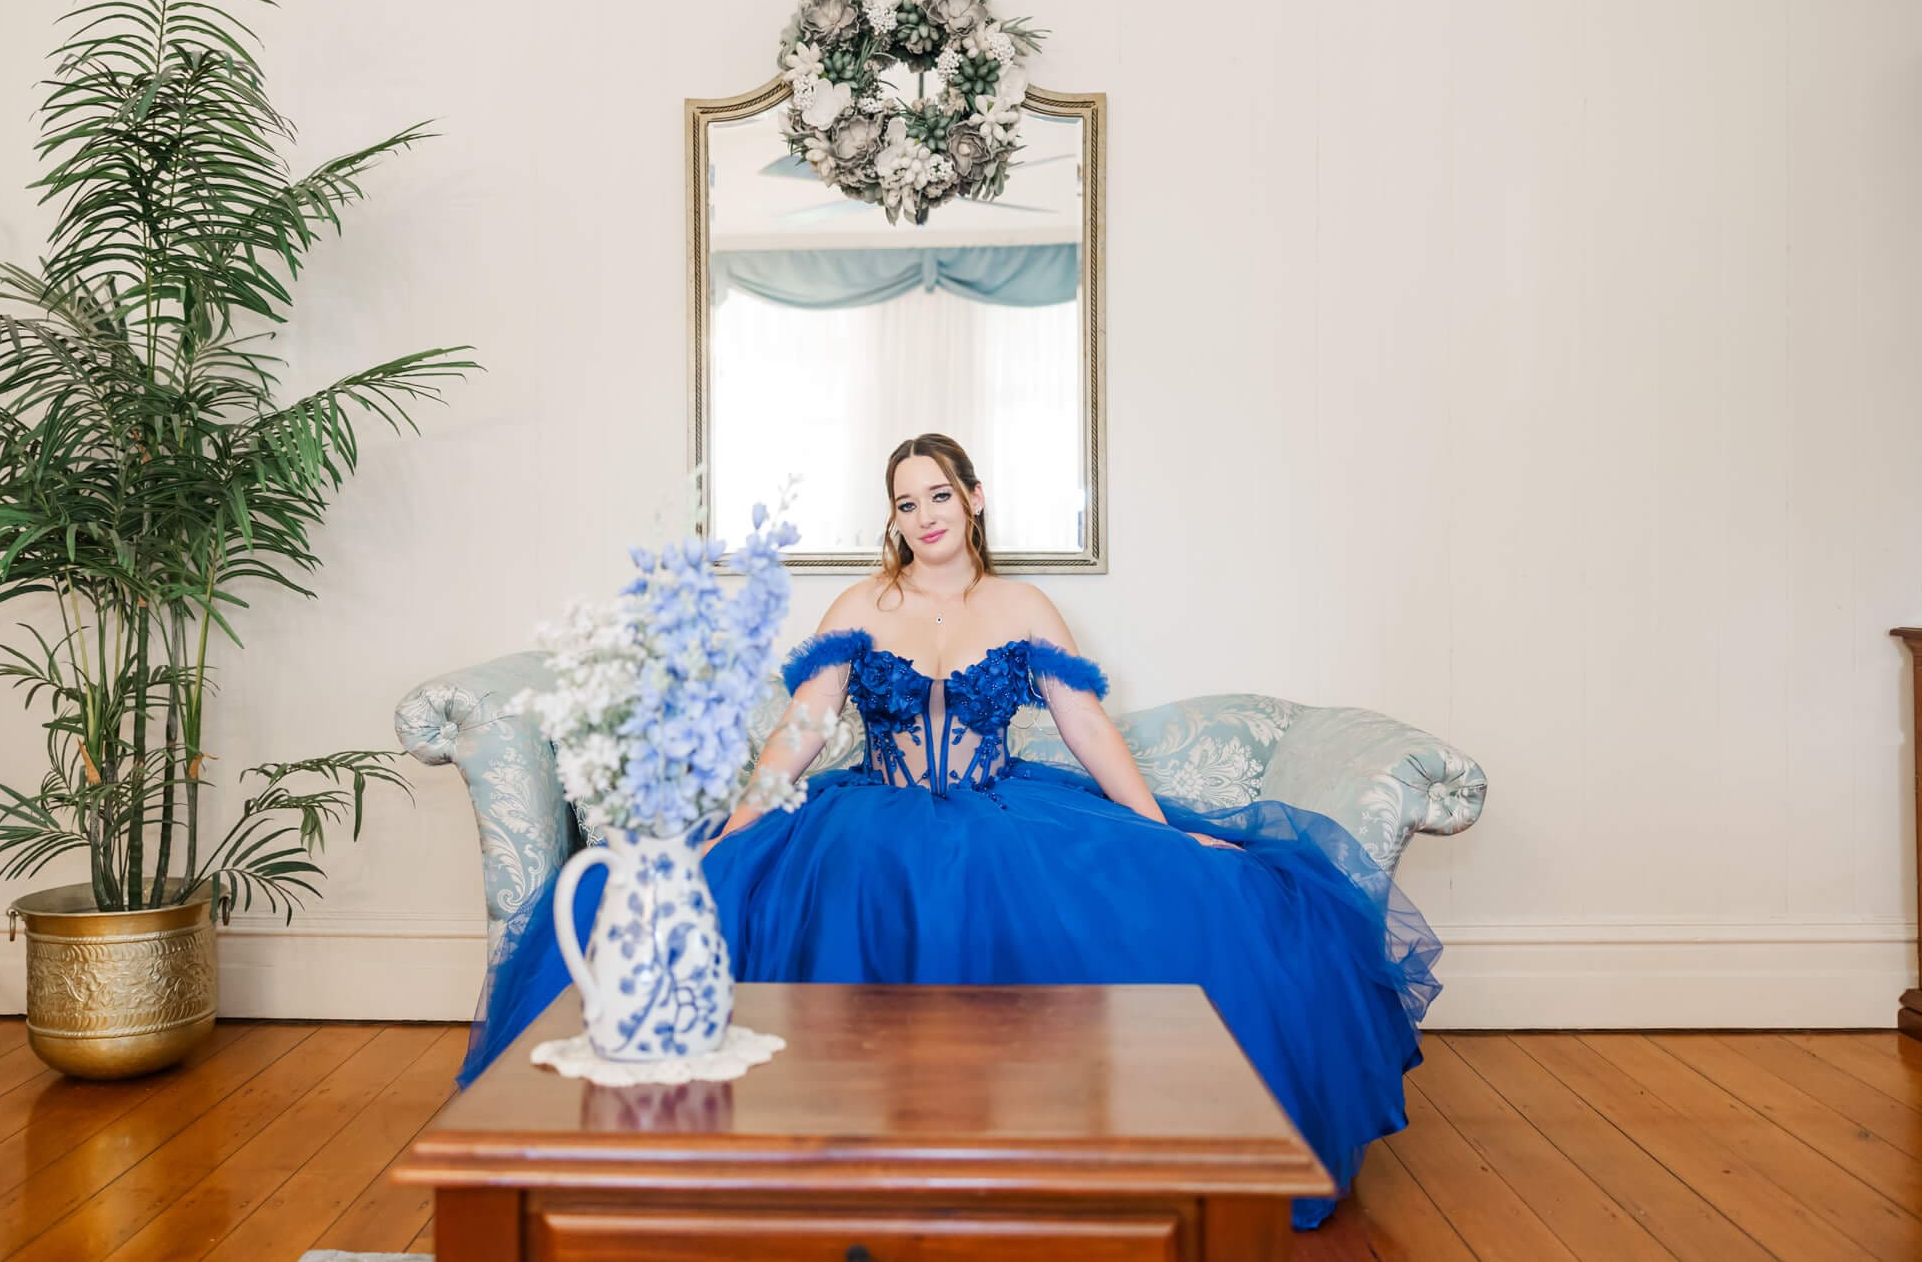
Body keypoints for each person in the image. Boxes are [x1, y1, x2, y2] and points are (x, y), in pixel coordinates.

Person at [461, 433, 1441, 1230]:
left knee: (1213, 901)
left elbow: (1082, 723)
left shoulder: (1021, 604)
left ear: (972, 498)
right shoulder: (860, 604)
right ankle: (802, 1169)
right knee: (696, 904)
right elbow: (803, 726)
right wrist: (739, 822)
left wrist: (1161, 833)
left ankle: (1080, 1165)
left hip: (1000, 814)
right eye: (902, 502)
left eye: (937, 494)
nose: (922, 516)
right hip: (867, 816)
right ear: (889, 518)